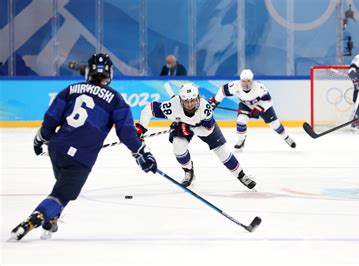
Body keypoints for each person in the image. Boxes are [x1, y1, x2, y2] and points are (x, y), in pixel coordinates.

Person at [10, 53, 158, 241]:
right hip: (80, 158)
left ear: (89, 71)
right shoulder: (116, 100)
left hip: (57, 148)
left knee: (63, 185)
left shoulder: (70, 90)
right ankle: (33, 219)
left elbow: (51, 118)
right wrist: (141, 152)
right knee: (60, 196)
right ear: (109, 73)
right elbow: (126, 132)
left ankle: (51, 219)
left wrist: (40, 139)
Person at [135, 83, 256, 189]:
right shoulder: (172, 106)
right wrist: (142, 128)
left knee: (222, 151)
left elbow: (207, 131)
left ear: (198, 98)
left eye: (192, 100)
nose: (190, 104)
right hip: (182, 123)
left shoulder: (205, 108)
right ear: (181, 100)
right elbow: (148, 109)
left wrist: (189, 128)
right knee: (178, 146)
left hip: (203, 126)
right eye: (186, 101)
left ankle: (241, 175)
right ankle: (189, 172)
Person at [209, 69, 296, 151]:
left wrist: (260, 108)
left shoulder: (259, 88)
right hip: (245, 105)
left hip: (261, 105)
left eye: (248, 81)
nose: (246, 83)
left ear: (252, 80)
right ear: (240, 80)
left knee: (275, 125)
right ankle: (241, 140)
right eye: (244, 81)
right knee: (241, 121)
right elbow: (222, 91)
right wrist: (216, 101)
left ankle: (286, 137)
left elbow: (269, 100)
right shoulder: (234, 86)